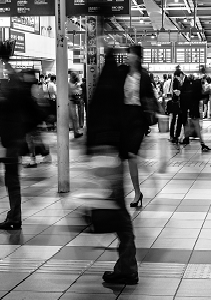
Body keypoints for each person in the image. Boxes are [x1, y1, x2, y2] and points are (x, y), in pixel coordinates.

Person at [86, 48, 139, 285]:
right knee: (118, 210)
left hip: (104, 154)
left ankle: (127, 267)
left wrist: (89, 151)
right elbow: (126, 123)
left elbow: (94, 122)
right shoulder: (118, 93)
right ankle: (126, 265)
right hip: (114, 155)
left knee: (117, 211)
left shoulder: (102, 92)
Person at [0, 50, 43, 230]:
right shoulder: (15, 94)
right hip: (11, 141)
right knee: (10, 179)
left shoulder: (15, 96)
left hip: (13, 141)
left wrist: (4, 62)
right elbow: (12, 78)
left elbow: (13, 79)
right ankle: (13, 215)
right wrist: (3, 62)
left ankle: (15, 216)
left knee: (12, 180)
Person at [118, 46, 155, 208]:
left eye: (131, 54)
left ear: (138, 57)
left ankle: (136, 192)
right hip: (124, 117)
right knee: (123, 157)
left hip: (138, 118)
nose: (128, 56)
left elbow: (150, 97)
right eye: (127, 54)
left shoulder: (144, 76)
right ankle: (136, 192)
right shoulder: (122, 74)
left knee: (132, 155)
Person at [180, 66, 211, 152]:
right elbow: (199, 94)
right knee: (196, 127)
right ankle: (201, 143)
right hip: (193, 110)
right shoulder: (196, 85)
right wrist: (206, 94)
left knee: (188, 125)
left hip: (188, 110)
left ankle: (185, 138)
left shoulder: (187, 86)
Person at [169, 70, 183, 144]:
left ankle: (173, 136)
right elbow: (176, 91)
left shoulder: (175, 81)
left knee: (174, 119)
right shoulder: (175, 81)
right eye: (181, 74)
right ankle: (174, 136)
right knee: (175, 120)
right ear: (179, 74)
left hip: (175, 102)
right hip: (176, 103)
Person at [69, 73, 83, 138]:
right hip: (70, 102)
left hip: (71, 102)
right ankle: (76, 132)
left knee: (74, 118)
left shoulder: (72, 84)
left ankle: (75, 131)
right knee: (74, 118)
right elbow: (76, 93)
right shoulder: (70, 85)